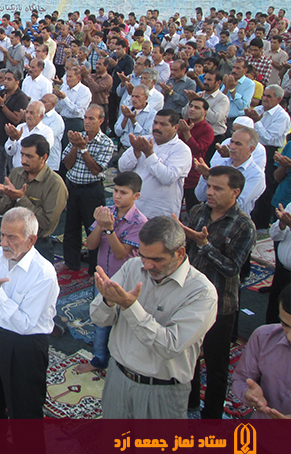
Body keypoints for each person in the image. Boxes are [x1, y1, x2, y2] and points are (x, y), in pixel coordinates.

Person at [89, 216, 218, 419]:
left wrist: (129, 306)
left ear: (180, 253)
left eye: (157, 260)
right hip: (118, 379)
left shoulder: (201, 293)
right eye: (143, 256)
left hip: (161, 392)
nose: (147, 265)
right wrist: (108, 301)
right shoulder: (132, 267)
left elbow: (169, 347)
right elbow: (98, 319)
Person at [0, 207, 59, 419]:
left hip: (26, 346)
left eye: (12, 237)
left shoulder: (43, 274)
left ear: (31, 240)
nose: (4, 243)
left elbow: (24, 324)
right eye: (2, 235)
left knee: (24, 412)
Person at [178, 165, 256, 419]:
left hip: (221, 305)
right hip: (190, 299)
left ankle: (211, 419)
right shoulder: (198, 212)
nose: (210, 192)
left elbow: (232, 269)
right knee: (188, 356)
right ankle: (189, 404)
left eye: (217, 188)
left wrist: (205, 245)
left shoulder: (243, 226)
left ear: (235, 192)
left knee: (216, 365)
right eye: (209, 186)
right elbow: (187, 253)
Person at [78, 171, 147, 374]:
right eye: (115, 191)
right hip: (103, 277)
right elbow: (91, 245)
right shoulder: (107, 212)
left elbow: (120, 253)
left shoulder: (140, 222)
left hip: (124, 280)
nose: (117, 196)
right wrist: (100, 225)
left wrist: (109, 229)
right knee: (100, 321)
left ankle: (121, 359)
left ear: (136, 196)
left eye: (123, 192)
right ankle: (99, 359)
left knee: (124, 323)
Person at [0, 134, 67, 262]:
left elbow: (46, 223)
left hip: (38, 245)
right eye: (22, 155)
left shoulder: (55, 184)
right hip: (11, 240)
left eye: (29, 156)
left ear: (43, 157)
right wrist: (10, 197)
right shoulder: (16, 174)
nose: (23, 160)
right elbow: (1, 209)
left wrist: (20, 199)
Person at [62, 105, 116, 272]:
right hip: (73, 188)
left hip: (91, 190)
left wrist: (83, 149)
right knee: (71, 227)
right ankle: (71, 263)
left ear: (101, 121)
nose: (86, 121)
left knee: (93, 228)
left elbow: (95, 169)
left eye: (91, 118)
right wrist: (75, 146)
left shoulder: (106, 143)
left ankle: (95, 268)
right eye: (85, 117)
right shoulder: (77, 137)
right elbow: (68, 164)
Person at [118, 109, 192, 220]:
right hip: (134, 208)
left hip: (160, 212)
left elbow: (167, 178)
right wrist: (135, 152)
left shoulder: (182, 150)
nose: (157, 127)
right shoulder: (144, 140)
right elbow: (122, 167)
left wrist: (149, 154)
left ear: (175, 128)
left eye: (163, 124)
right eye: (155, 123)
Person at [232, 283, 291, 419]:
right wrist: (249, 394)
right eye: (285, 325)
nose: (289, 337)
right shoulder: (263, 337)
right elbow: (241, 379)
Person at [245, 85, 291, 229]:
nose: (264, 98)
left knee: (265, 187)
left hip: (269, 152)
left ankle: (262, 224)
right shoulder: (259, 110)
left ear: (279, 99)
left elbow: (270, 138)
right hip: (252, 148)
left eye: (269, 96)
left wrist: (257, 122)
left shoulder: (282, 116)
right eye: (264, 95)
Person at [195, 128, 265, 214]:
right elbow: (200, 196)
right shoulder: (219, 163)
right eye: (232, 142)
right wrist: (206, 177)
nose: (232, 147)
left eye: (238, 144)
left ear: (251, 149)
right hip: (208, 215)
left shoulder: (256, 175)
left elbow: (237, 204)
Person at [0, 69, 29, 186]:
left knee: (12, 171)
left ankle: (11, 192)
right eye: (4, 78)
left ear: (17, 82)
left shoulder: (21, 97)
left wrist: (2, 105)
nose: (5, 81)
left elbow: (16, 119)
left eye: (9, 79)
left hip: (12, 141)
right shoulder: (1, 93)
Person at [178, 98, 215, 212]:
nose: (192, 109)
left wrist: (186, 132)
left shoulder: (207, 130)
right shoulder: (182, 123)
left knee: (192, 210)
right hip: (177, 170)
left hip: (193, 174)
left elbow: (198, 149)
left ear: (205, 112)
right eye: (191, 106)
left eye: (197, 107)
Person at [4, 100, 56, 171]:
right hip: (18, 171)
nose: (28, 115)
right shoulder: (20, 127)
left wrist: (18, 138)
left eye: (32, 113)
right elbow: (10, 152)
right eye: (27, 112)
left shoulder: (47, 132)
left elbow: (39, 151)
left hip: (35, 172)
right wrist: (11, 138)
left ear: (41, 116)